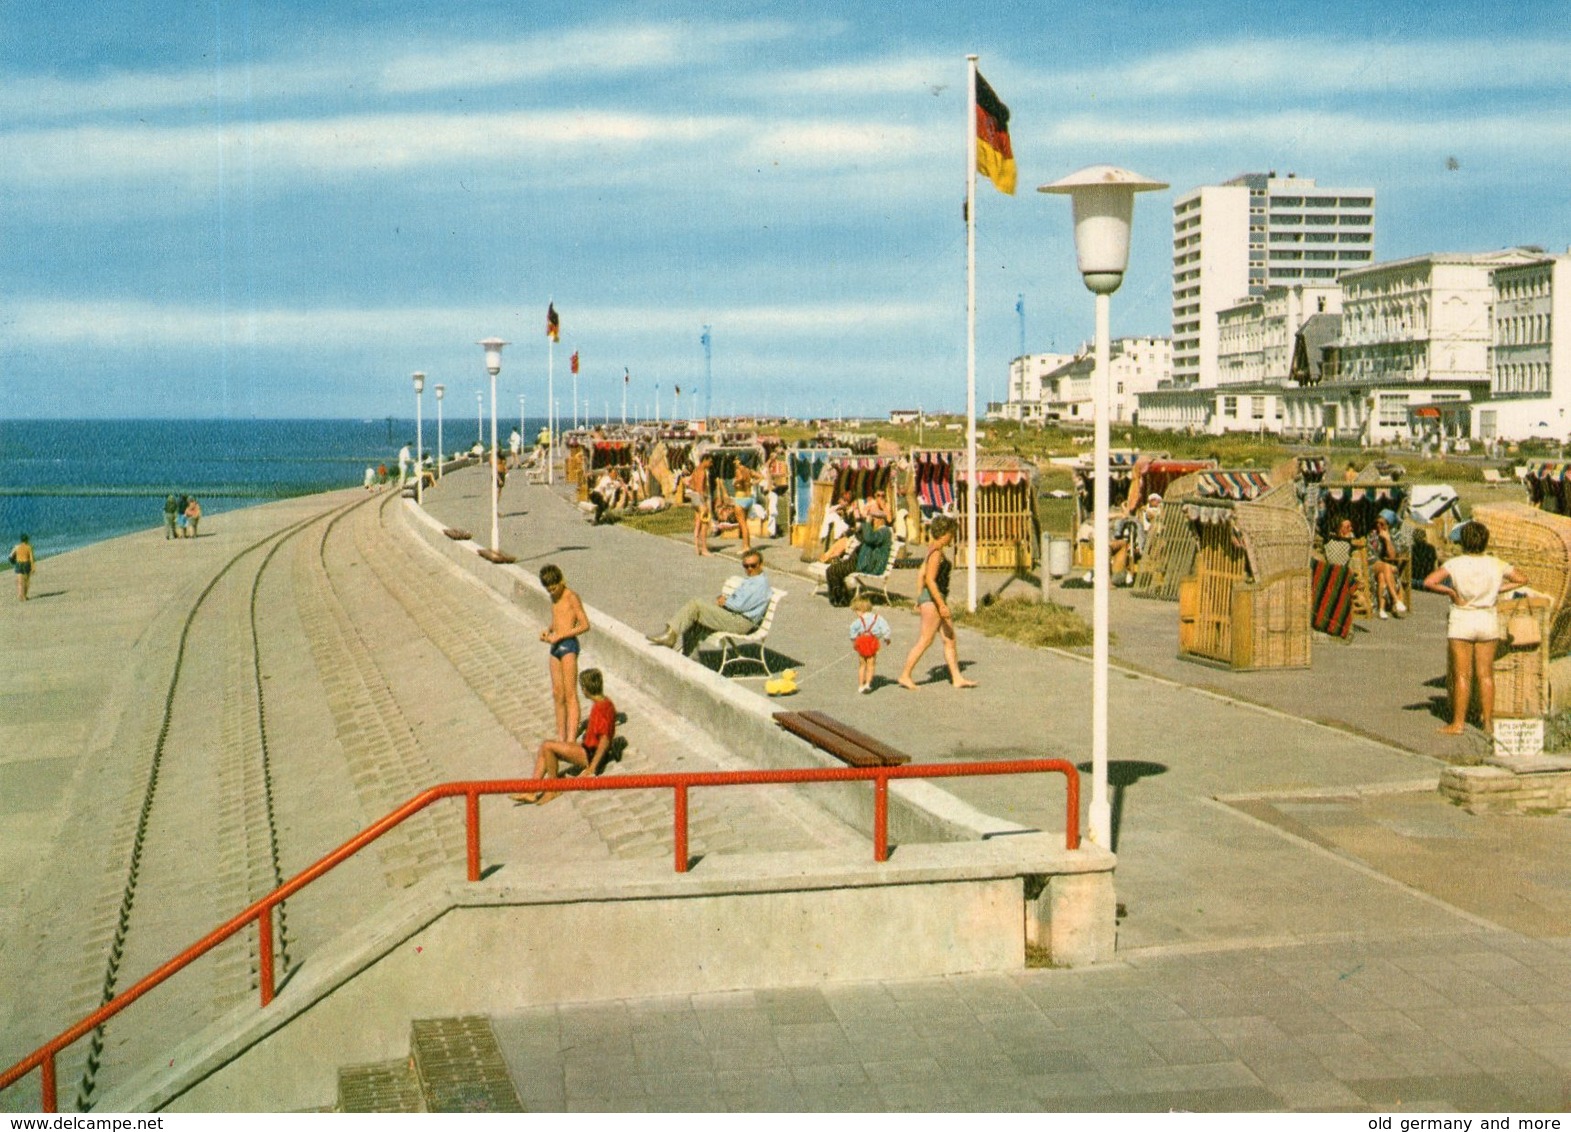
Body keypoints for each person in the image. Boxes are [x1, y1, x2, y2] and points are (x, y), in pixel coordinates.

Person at [1423, 521, 1528, 736]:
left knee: (1462, 675)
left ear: (1463, 541)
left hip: (1462, 620)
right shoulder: (1496, 563)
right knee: (1486, 675)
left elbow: (1429, 582)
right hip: (1487, 619)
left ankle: (1458, 724)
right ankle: (1488, 723)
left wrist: (1452, 593)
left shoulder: (1456, 563)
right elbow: (1522, 579)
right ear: (1485, 541)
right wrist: (1499, 589)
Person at [512, 668, 617, 805]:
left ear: (585, 689)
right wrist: (578, 731)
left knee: (548, 747)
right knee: (546, 747)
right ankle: (531, 790)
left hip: (590, 754)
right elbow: (595, 727)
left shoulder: (600, 709)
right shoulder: (605, 702)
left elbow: (604, 740)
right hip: (588, 748)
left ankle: (553, 789)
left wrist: (592, 767)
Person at [897, 516, 976, 690]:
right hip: (934, 600)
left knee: (950, 638)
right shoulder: (936, 553)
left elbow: (920, 574)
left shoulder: (932, 549)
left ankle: (957, 678)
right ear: (944, 533)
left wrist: (919, 597)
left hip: (931, 599)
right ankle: (905, 675)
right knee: (925, 640)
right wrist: (941, 604)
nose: (952, 537)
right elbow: (930, 580)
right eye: (951, 534)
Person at [647, 550, 770, 656]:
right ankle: (688, 655)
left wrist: (726, 601)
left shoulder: (760, 584)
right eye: (746, 566)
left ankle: (671, 635)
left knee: (696, 605)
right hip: (735, 616)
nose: (749, 569)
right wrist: (727, 601)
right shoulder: (753, 580)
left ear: (761, 564)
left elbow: (740, 605)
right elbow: (739, 600)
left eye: (753, 565)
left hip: (742, 622)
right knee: (694, 617)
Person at [538, 564, 590, 744]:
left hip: (568, 645)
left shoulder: (571, 597)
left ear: (561, 582)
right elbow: (557, 619)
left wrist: (561, 634)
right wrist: (549, 630)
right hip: (555, 646)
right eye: (549, 590)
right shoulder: (553, 597)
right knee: (557, 693)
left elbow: (584, 625)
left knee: (570, 693)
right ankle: (561, 735)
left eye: (554, 588)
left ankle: (570, 738)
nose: (552, 592)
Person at [1369, 508, 1411, 619]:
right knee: (1387, 567)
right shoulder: (1373, 535)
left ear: (1389, 525)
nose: (1379, 526)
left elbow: (1392, 556)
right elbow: (1371, 555)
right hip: (1372, 563)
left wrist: (1387, 540)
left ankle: (1381, 610)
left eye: (1382, 524)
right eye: (1377, 523)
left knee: (1382, 576)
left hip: (1383, 567)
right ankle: (1396, 600)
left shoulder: (1393, 535)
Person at [848, 595, 892, 694]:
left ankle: (860, 685)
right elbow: (885, 628)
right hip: (872, 641)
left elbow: (852, 629)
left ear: (859, 610)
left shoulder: (858, 621)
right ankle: (868, 684)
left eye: (856, 611)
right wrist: (887, 637)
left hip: (862, 641)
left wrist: (854, 640)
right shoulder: (878, 618)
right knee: (871, 664)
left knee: (862, 664)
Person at [687, 454, 714, 557]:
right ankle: (704, 548)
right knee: (705, 523)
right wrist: (705, 504)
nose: (711, 464)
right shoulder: (702, 472)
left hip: (694, 496)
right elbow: (700, 489)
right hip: (699, 497)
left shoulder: (695, 470)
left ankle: (696, 547)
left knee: (697, 522)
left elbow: (690, 483)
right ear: (705, 460)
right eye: (710, 462)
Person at [9, 534, 34, 601]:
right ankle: (25, 596)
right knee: (26, 581)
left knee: (20, 582)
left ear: (21, 540)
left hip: (19, 564)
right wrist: (33, 567)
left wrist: (13, 562)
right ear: (27, 540)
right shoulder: (29, 547)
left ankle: (20, 595)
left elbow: (11, 556)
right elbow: (31, 558)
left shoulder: (16, 547)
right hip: (26, 564)